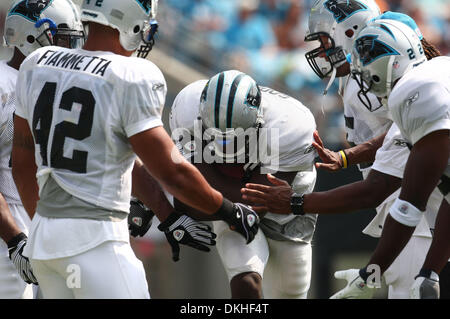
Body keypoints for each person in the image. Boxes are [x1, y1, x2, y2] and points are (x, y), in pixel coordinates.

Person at [11, 0, 258, 299]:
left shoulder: (37, 63)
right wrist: (228, 210)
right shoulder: (132, 74)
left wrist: (49, 228)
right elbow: (172, 171)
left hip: (45, 242)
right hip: (96, 242)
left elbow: (22, 163)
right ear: (132, 21)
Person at [241, 0, 448, 298]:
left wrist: (296, 202)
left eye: (326, 38)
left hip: (414, 195)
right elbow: (400, 135)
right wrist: (346, 157)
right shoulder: (422, 77)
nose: (321, 48)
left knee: (409, 288)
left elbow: (383, 183)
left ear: (348, 31)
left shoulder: (408, 89)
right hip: (419, 193)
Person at [164, 70, 318, 299]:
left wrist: (203, 194)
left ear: (258, 121)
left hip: (285, 204)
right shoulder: (188, 106)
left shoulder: (291, 124)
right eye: (215, 135)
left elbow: (259, 203)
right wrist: (200, 198)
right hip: (227, 203)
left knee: (291, 289)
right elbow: (187, 198)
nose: (226, 147)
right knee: (246, 281)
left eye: (235, 136)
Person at [349, 19, 449, 299]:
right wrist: (430, 272)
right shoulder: (440, 69)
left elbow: (407, 205)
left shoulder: (414, 90)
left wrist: (371, 272)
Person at [0, 0, 85, 299]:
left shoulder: (60, 90)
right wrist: (14, 240)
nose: (69, 50)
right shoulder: (4, 86)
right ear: (27, 35)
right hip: (9, 238)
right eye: (62, 39)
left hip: (48, 234)